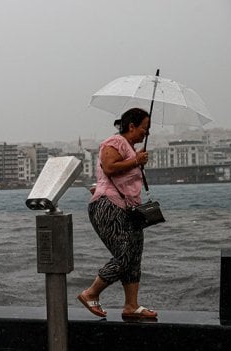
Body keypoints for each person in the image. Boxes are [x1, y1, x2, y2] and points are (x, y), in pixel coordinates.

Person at [77, 107, 158, 320]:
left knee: (134, 256)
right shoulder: (116, 142)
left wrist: (136, 160)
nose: (146, 133)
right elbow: (110, 167)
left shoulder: (130, 147)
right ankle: (90, 293)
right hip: (108, 206)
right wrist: (136, 161)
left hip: (129, 209)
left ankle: (131, 305)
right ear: (131, 126)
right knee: (124, 254)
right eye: (144, 128)